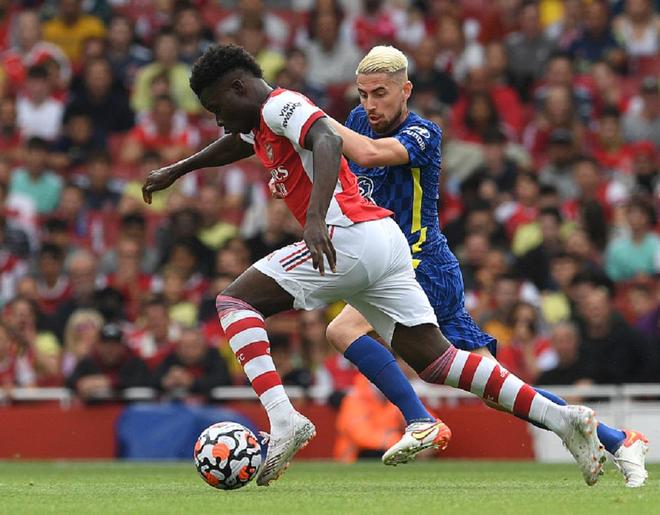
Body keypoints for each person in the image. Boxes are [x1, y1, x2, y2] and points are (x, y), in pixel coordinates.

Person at [141, 44, 604, 487]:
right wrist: (178, 170)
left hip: (348, 235)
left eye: (216, 107)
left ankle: (283, 420)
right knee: (439, 362)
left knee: (234, 302)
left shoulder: (281, 105)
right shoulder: (261, 120)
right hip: (384, 240)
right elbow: (235, 143)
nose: (217, 119)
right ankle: (564, 419)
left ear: (240, 87)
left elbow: (326, 139)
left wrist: (316, 218)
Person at [323, 45, 647, 488]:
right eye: (363, 95)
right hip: (393, 261)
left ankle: (419, 419)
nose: (370, 104)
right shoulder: (358, 122)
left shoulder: (423, 133)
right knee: (496, 388)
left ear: (406, 90)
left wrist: (306, 117)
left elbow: (370, 154)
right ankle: (617, 438)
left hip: (419, 261)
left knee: (342, 329)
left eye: (380, 93)